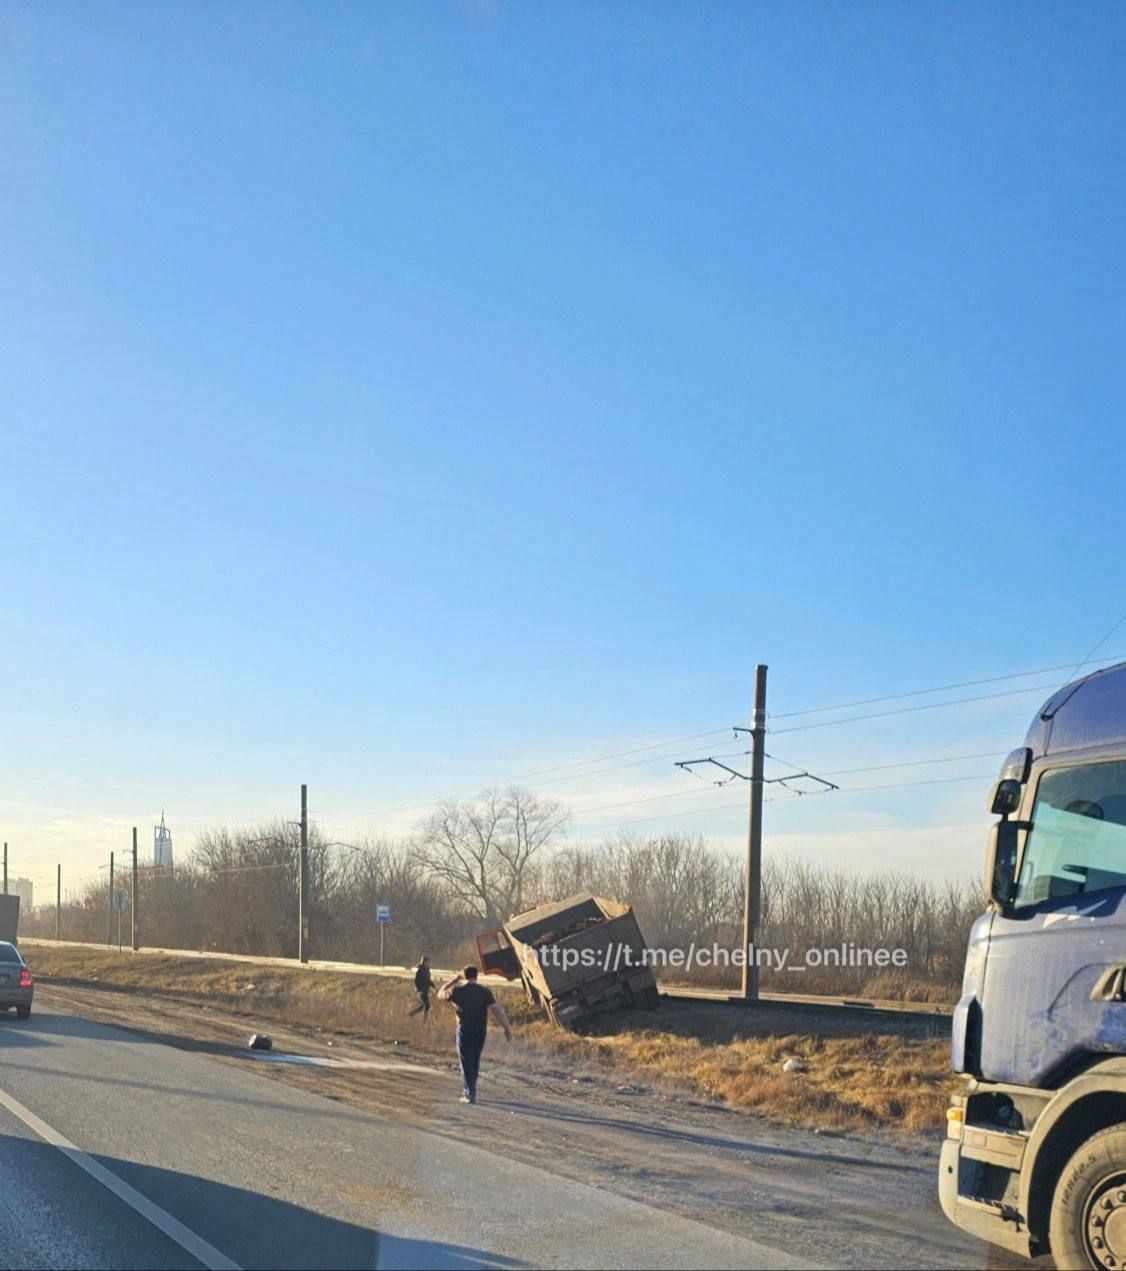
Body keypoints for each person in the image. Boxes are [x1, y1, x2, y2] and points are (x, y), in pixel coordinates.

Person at [437, 964, 512, 1104]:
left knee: (466, 1061)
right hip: (480, 1029)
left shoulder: (456, 991)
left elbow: (440, 993)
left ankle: (469, 1093)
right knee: (475, 1060)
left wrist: (455, 979)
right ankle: (471, 1090)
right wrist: (507, 1028)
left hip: (464, 1028)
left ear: (464, 975)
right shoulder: (485, 992)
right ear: (476, 976)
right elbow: (497, 1010)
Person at [407, 955, 432, 1020]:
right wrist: (419, 989)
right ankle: (424, 1020)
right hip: (421, 990)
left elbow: (428, 980)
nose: (429, 963)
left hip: (425, 989)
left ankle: (411, 1014)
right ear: (424, 962)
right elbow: (416, 980)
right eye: (428, 962)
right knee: (427, 1005)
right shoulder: (420, 970)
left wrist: (433, 986)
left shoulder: (427, 970)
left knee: (425, 1005)